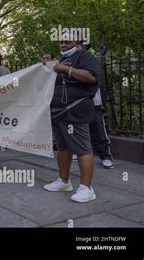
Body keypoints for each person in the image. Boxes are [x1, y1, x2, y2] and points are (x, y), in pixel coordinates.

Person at [44, 33, 102, 203]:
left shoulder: (85, 57)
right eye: (61, 41)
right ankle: (63, 181)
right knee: (62, 148)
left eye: (67, 41)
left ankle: (86, 188)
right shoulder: (59, 61)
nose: (63, 44)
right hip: (57, 111)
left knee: (83, 148)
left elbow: (91, 77)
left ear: (78, 44)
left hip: (75, 111)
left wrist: (66, 69)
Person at [75, 43, 114, 169]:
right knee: (77, 130)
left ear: (85, 47)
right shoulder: (69, 60)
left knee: (98, 130)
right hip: (75, 103)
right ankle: (77, 151)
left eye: (79, 45)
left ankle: (106, 156)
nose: (76, 47)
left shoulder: (90, 60)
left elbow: (95, 80)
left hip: (93, 102)